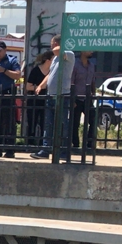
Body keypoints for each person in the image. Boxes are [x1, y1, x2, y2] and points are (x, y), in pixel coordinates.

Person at [33, 35, 75, 163]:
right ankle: (46, 150)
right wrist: (41, 85)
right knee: (48, 124)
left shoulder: (69, 54)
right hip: (51, 95)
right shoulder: (56, 58)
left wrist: (58, 45)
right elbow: (50, 74)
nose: (51, 46)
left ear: (57, 43)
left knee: (62, 124)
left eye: (52, 43)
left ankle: (63, 151)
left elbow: (57, 50)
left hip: (62, 95)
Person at [0, 41, 21, 158]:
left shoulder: (11, 61)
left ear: (5, 50)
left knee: (8, 122)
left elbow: (18, 75)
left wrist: (4, 70)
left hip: (7, 92)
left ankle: (10, 149)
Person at [25, 51, 54, 150]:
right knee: (32, 122)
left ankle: (43, 145)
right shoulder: (36, 70)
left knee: (44, 123)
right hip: (34, 100)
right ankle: (30, 144)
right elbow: (28, 86)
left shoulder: (52, 72)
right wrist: (39, 87)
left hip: (46, 101)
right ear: (48, 60)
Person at [70, 51, 96, 152]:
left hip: (87, 98)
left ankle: (89, 144)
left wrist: (93, 93)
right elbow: (71, 81)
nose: (91, 52)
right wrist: (72, 98)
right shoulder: (75, 65)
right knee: (75, 122)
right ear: (82, 52)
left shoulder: (91, 66)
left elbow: (92, 80)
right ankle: (75, 144)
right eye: (89, 50)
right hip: (76, 98)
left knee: (93, 120)